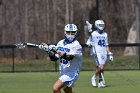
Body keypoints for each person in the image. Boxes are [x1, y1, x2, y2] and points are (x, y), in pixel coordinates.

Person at [39, 24, 82, 93]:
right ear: (65, 32)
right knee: (67, 90)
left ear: (76, 32)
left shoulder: (76, 45)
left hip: (72, 72)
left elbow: (69, 57)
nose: (70, 34)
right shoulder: (60, 43)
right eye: (68, 32)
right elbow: (55, 58)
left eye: (73, 32)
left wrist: (57, 50)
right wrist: (48, 51)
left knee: (55, 88)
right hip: (63, 71)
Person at [86, 20, 113, 88]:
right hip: (96, 52)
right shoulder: (93, 34)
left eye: (102, 25)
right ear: (96, 25)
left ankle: (100, 82)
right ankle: (94, 77)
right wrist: (90, 44)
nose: (101, 27)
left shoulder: (105, 34)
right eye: (100, 25)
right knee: (101, 67)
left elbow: (106, 45)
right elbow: (88, 43)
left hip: (103, 52)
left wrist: (109, 53)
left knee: (101, 68)